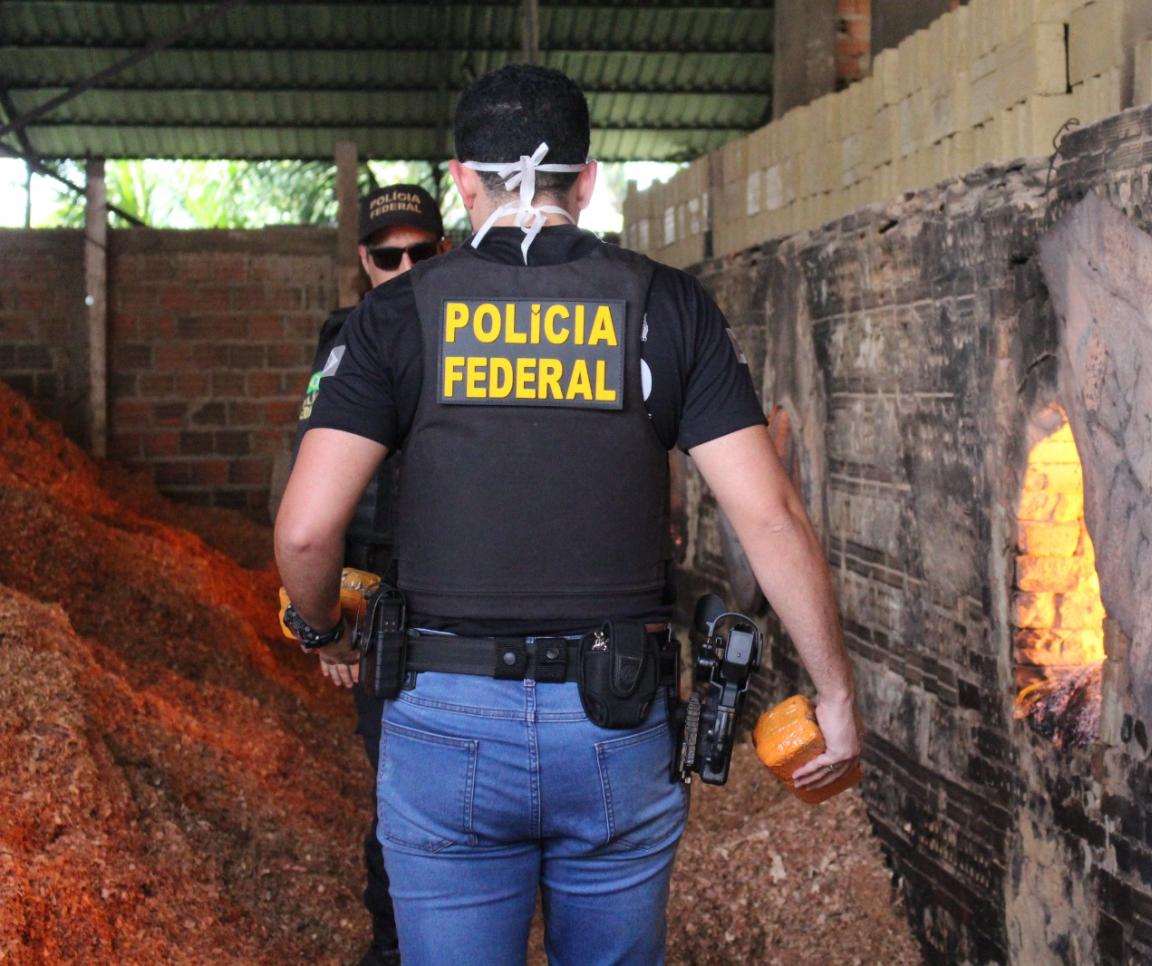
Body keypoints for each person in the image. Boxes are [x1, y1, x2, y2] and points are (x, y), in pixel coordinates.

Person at [274, 65, 861, 966]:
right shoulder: (665, 308)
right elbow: (771, 516)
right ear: (586, 180)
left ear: (461, 180)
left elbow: (308, 530)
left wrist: (324, 632)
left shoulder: (395, 319)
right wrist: (835, 692)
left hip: (444, 720)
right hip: (615, 721)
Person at [289, 183, 450, 966]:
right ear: (364, 260)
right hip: (382, 592)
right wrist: (330, 621)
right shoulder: (349, 341)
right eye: (389, 256)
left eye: (421, 252)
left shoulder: (473, 327)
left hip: (461, 582)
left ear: (444, 252)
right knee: (401, 790)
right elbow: (315, 500)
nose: (406, 266)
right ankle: (394, 947)